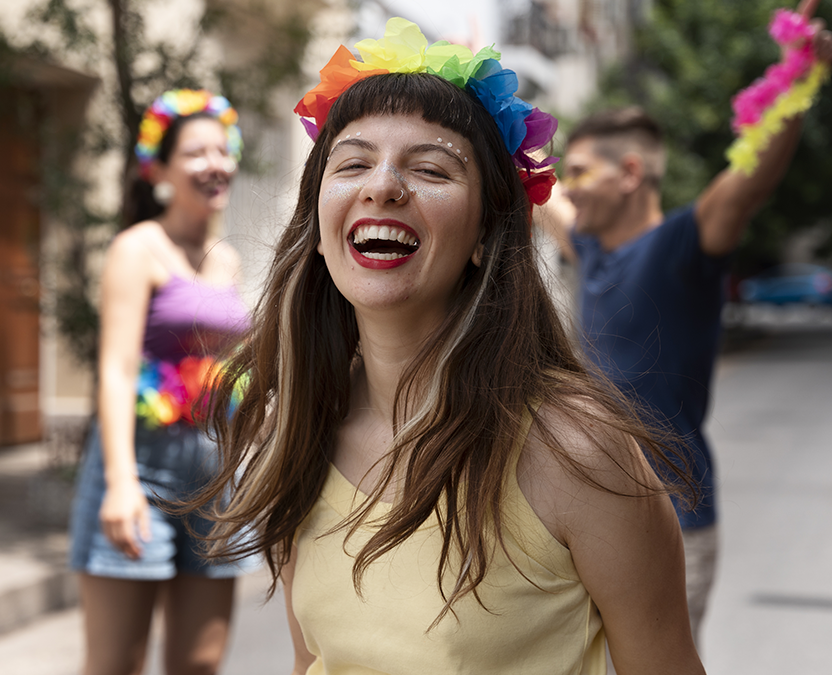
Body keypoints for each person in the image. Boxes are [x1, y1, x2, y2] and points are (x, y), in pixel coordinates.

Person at [186, 18, 704, 675]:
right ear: (317, 224)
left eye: (430, 168)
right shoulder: (298, 425)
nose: (382, 186)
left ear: (486, 233)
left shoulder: (576, 451)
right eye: (353, 163)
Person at [540, 1, 832, 647]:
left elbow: (747, 181)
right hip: (589, 516)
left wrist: (797, 82)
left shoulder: (681, 244)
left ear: (630, 174)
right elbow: (535, 182)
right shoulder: (590, 252)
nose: (570, 185)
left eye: (582, 171)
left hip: (676, 519)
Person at [68, 89, 257, 675]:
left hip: (215, 474)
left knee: (200, 662)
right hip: (142, 469)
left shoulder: (227, 260)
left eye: (222, 150)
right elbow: (117, 369)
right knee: (115, 665)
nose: (215, 163)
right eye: (196, 153)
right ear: (160, 170)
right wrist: (121, 483)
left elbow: (233, 370)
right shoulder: (137, 249)